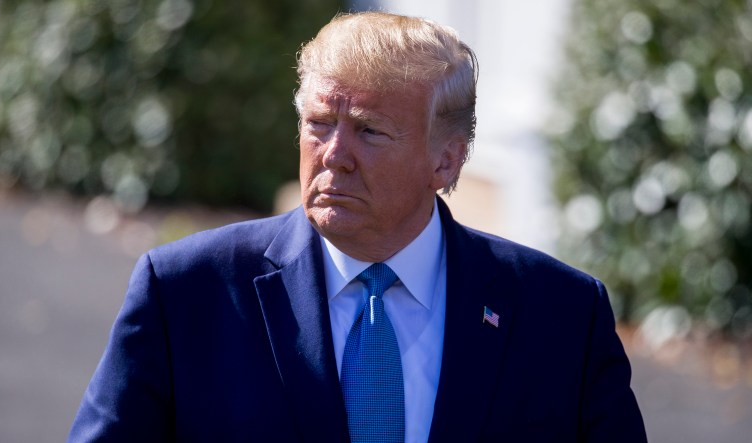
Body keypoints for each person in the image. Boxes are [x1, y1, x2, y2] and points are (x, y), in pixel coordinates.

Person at [68, 11, 647, 443]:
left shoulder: (562, 315)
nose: (334, 154)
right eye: (319, 123)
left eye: (369, 131)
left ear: (446, 159)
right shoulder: (186, 292)